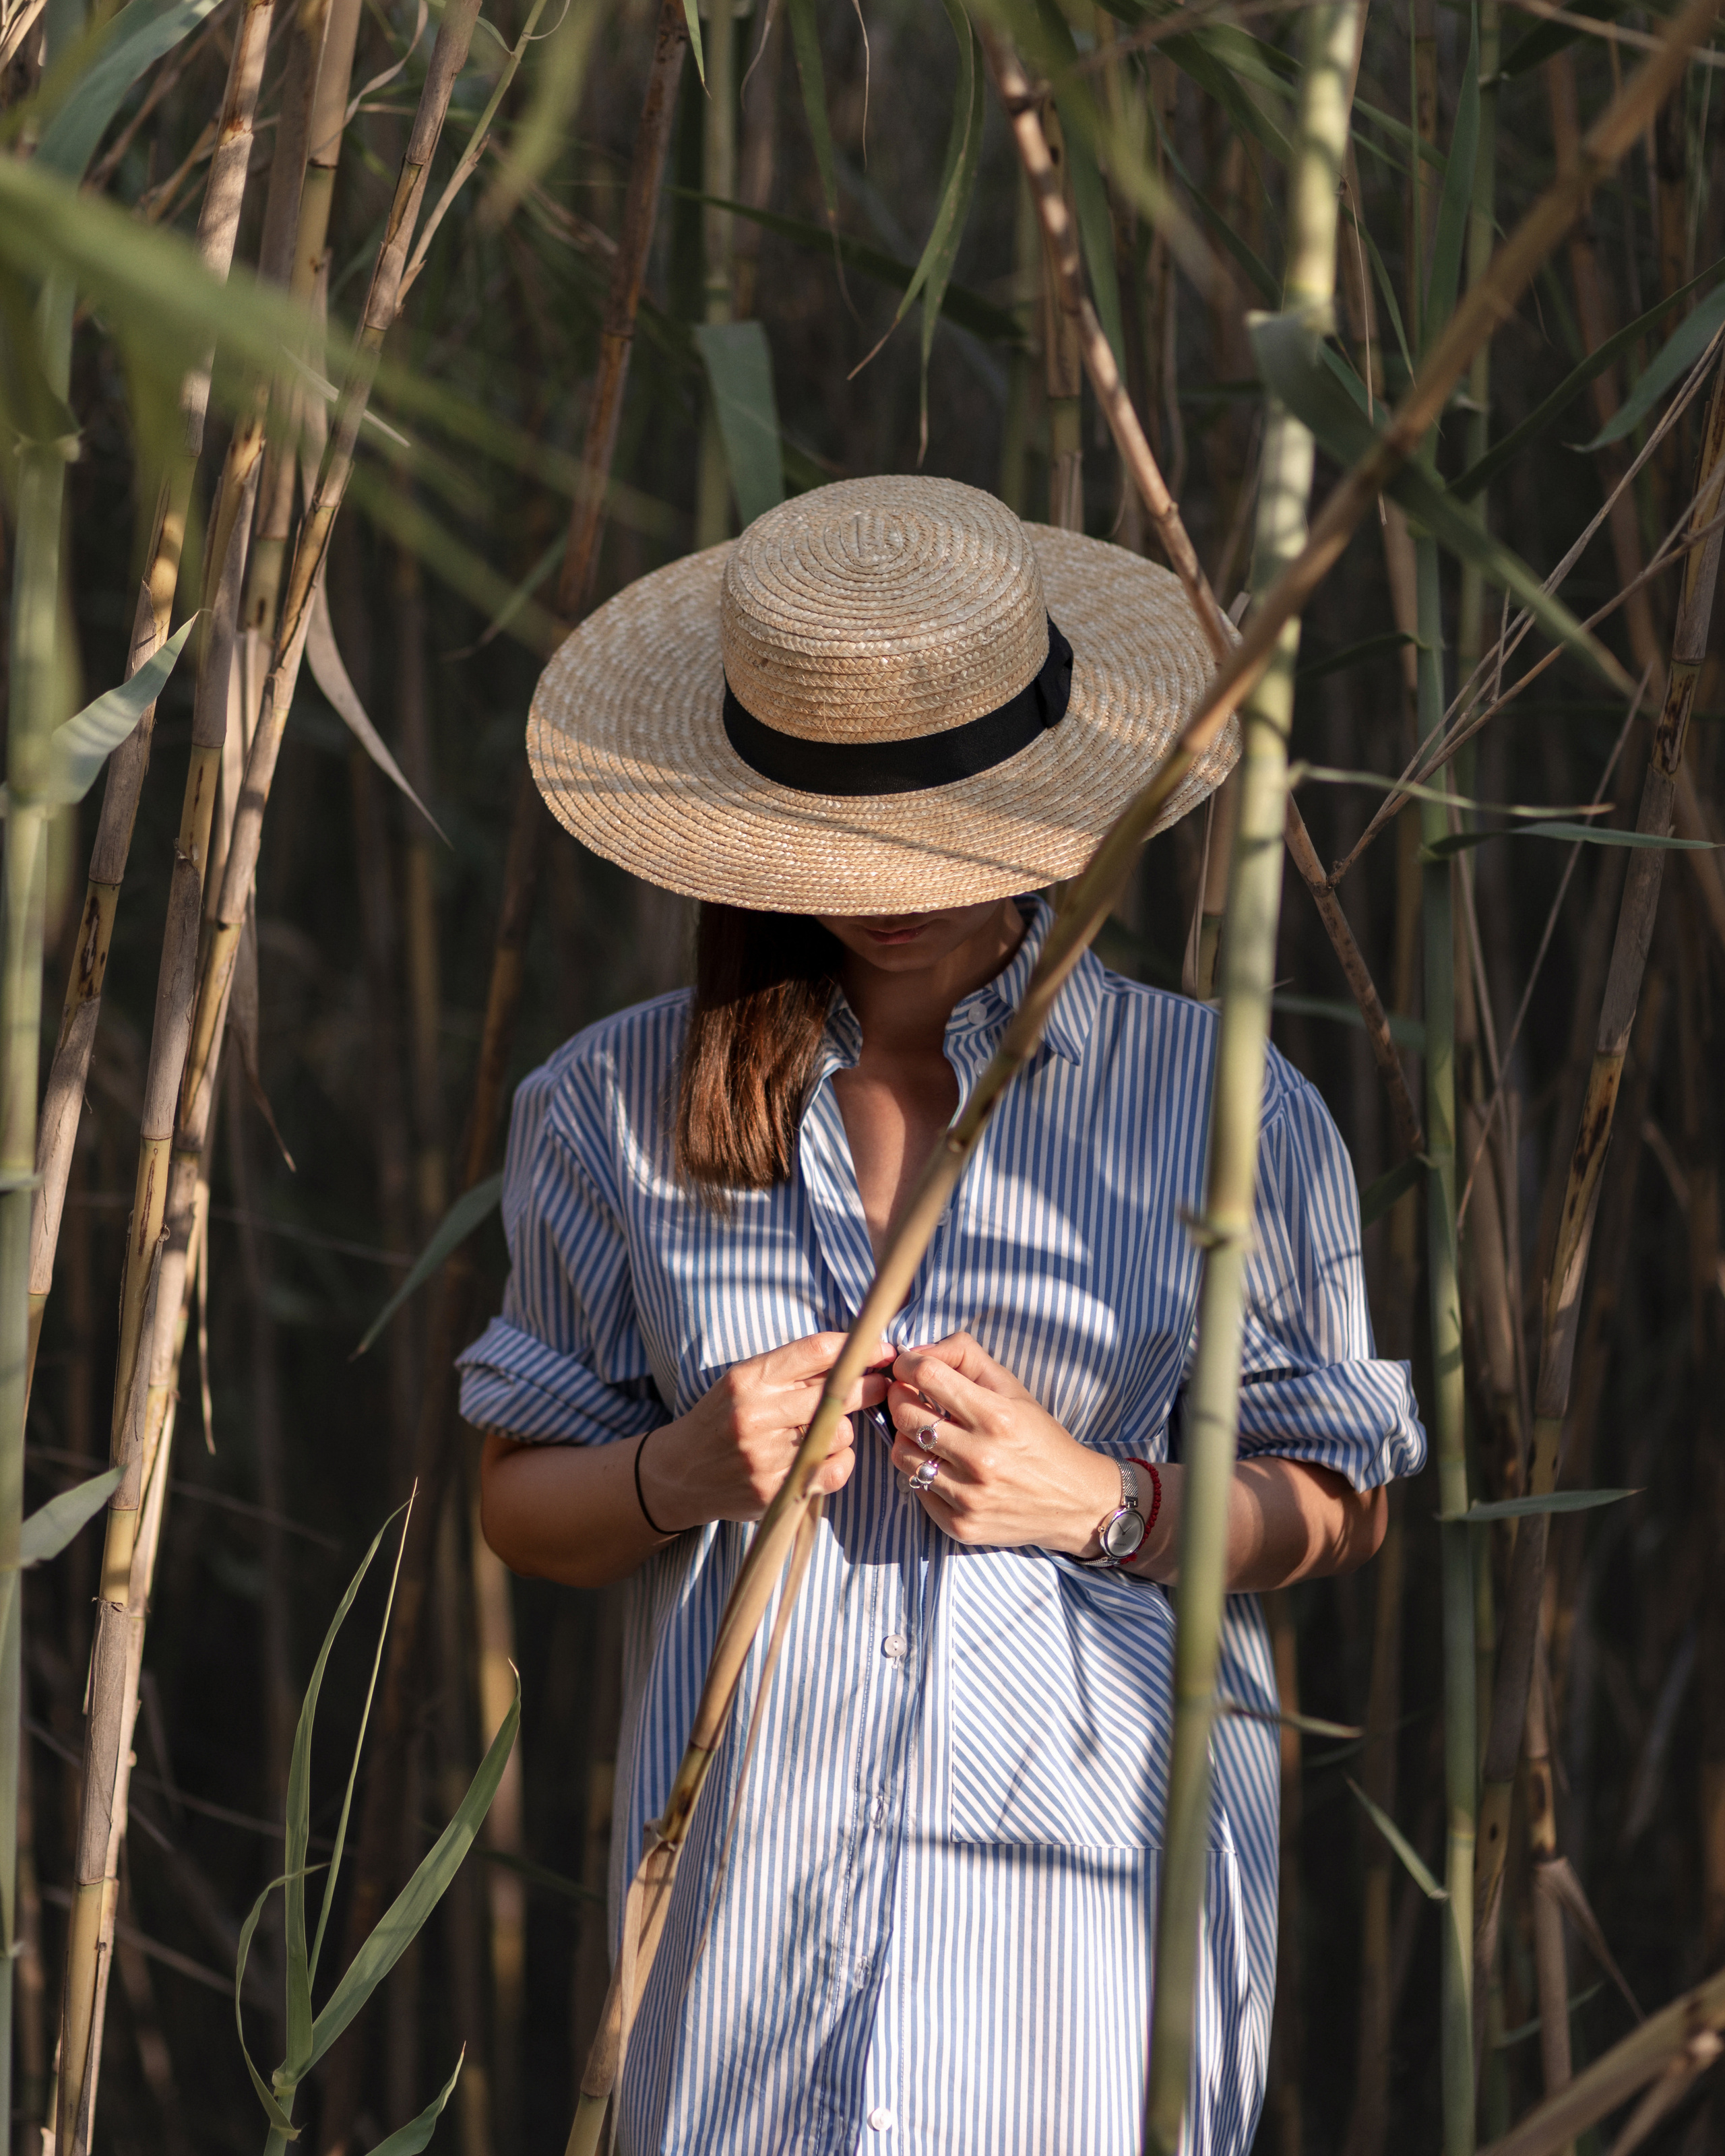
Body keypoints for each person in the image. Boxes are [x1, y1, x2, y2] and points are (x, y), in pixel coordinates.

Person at [461, 474, 1425, 2155]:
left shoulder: (1225, 1104)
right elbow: (514, 1502)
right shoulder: (608, 1105)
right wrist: (678, 1470)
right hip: (741, 1961)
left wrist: (1111, 1503)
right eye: (839, 837)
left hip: (1085, 1944)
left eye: (942, 824)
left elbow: (1340, 1503)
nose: (892, 884)